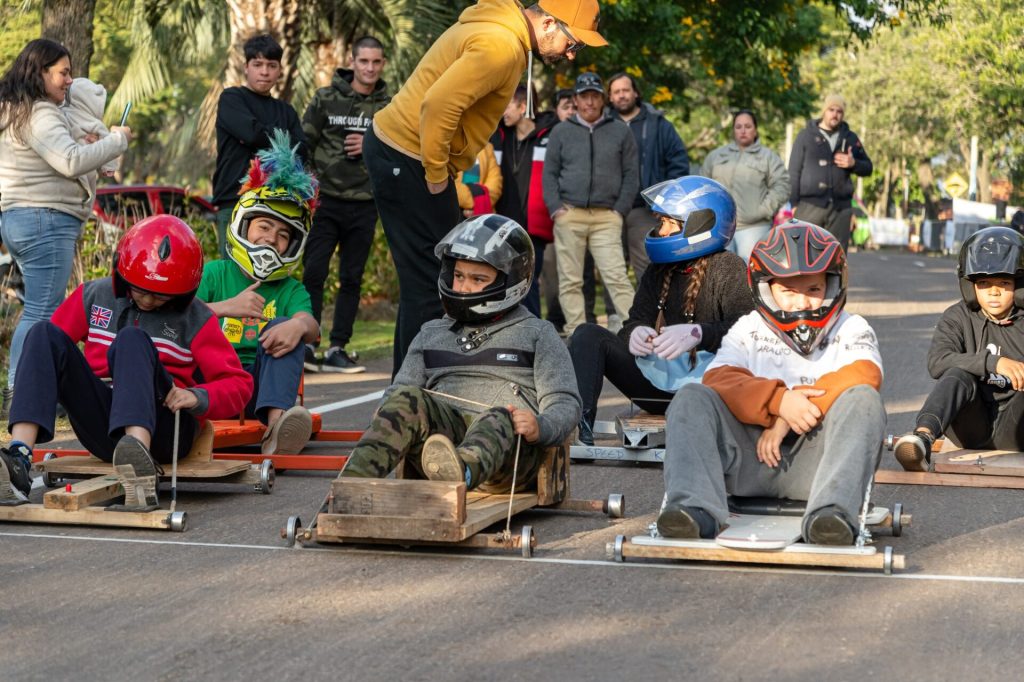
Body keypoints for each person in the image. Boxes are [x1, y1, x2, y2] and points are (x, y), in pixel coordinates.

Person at [364, 0, 605, 373]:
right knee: (433, 284)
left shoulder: (501, 35)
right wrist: (436, 176)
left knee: (426, 281)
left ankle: (405, 390)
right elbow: (437, 106)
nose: (571, 55)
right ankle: (411, 398)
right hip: (407, 157)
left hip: (403, 154)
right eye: (573, 44)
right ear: (548, 25)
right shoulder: (501, 47)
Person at [657, 220, 884, 545]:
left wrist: (785, 420)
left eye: (813, 290)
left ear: (833, 286)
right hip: (751, 461)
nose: (802, 302)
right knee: (692, 396)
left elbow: (866, 373)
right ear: (765, 288)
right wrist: (778, 402)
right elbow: (718, 379)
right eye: (788, 290)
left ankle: (832, 513)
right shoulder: (749, 328)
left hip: (819, 468)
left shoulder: (851, 327)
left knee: (863, 399)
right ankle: (694, 509)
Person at [0, 216, 252, 507]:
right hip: (104, 426)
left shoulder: (196, 319)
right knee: (43, 333)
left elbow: (240, 384)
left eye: (160, 296)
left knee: (132, 339)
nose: (147, 301)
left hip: (166, 428)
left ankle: (139, 466)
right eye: (141, 290)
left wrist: (197, 396)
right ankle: (18, 459)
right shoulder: (94, 295)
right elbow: (47, 354)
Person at [339, 214, 580, 493]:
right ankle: (346, 490)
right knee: (405, 398)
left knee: (499, 415)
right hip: (437, 453)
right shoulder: (431, 332)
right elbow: (402, 388)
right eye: (458, 276)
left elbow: (565, 402)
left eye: (478, 279)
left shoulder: (538, 333)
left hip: (509, 460)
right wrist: (389, 410)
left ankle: (460, 473)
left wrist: (541, 426)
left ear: (512, 281)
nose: (463, 287)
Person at [568, 177, 752, 444]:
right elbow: (633, 321)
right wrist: (634, 333)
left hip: (710, 391)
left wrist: (699, 333)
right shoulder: (658, 270)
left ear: (700, 224)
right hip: (658, 390)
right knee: (587, 335)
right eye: (661, 222)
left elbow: (749, 332)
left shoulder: (729, 267)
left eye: (668, 223)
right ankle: (580, 428)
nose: (661, 231)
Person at [0, 39, 131, 410]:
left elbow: (59, 154)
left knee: (38, 308)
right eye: (63, 72)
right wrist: (116, 141)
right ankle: (23, 393)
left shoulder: (17, 111)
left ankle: (31, 389)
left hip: (23, 218)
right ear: (40, 72)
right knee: (42, 312)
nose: (70, 80)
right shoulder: (40, 113)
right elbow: (71, 162)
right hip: (45, 219)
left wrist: (87, 142)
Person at [197, 132, 321, 456]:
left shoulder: (290, 288)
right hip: (208, 385)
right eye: (264, 227)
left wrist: (297, 327)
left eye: (283, 235)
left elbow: (311, 325)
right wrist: (226, 307)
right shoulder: (214, 273)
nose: (271, 238)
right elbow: (175, 319)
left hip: (257, 393)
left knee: (285, 324)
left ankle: (278, 430)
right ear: (244, 223)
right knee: (187, 330)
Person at [894, 227, 1024, 471]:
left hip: (1016, 428)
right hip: (969, 427)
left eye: (1004, 283)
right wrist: (994, 363)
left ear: (1019, 286)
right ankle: (922, 440)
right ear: (970, 286)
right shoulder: (957, 316)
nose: (994, 292)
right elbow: (937, 362)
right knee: (956, 373)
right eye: (984, 283)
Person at [301, 36, 390, 374]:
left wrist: (370, 143)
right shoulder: (326, 98)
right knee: (314, 272)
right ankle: (309, 343)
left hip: (365, 204)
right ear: (352, 62)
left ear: (382, 64)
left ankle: (339, 347)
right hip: (325, 202)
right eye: (363, 61)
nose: (369, 68)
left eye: (376, 62)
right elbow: (303, 144)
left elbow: (400, 150)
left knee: (352, 278)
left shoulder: (389, 107)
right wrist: (308, 187)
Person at [543, 72, 639, 337]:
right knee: (571, 280)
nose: (589, 102)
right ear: (575, 100)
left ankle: (635, 332)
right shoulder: (561, 132)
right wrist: (556, 209)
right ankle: (577, 334)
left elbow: (632, 173)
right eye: (584, 97)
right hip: (570, 214)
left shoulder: (620, 130)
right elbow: (549, 173)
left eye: (594, 96)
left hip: (607, 216)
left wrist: (620, 209)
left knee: (617, 277)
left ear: (602, 99)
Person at [213, 33, 306, 259]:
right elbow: (250, 134)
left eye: (271, 65)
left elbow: (302, 150)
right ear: (246, 67)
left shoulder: (287, 111)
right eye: (258, 64)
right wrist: (282, 137)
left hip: (277, 204)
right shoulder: (232, 98)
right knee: (232, 272)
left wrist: (260, 132)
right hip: (235, 199)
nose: (264, 72)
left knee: (271, 274)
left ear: (280, 70)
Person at [606, 72, 690, 283]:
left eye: (626, 90)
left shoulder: (658, 124)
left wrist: (664, 200)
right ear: (610, 97)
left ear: (635, 93)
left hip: (644, 209)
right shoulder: (603, 125)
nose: (622, 95)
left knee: (647, 266)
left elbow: (678, 161)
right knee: (612, 268)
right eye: (616, 92)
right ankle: (616, 316)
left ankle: (651, 314)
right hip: (609, 208)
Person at [492, 84, 558, 316]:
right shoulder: (497, 135)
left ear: (523, 106)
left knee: (527, 282)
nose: (502, 111)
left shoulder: (550, 135)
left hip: (533, 226)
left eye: (507, 104)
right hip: (500, 225)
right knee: (502, 283)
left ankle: (533, 334)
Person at [700, 109, 789, 262]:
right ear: (733, 130)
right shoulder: (716, 156)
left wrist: (763, 210)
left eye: (748, 126)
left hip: (753, 228)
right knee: (719, 274)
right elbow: (702, 184)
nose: (743, 131)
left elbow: (782, 185)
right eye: (738, 126)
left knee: (751, 275)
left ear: (755, 130)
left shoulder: (768, 157)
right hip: (719, 227)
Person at [787, 94, 872, 251]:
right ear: (824, 111)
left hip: (840, 209)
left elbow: (868, 168)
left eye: (839, 111)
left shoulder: (850, 138)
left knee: (836, 260)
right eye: (831, 110)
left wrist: (854, 163)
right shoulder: (805, 136)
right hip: (809, 207)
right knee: (804, 256)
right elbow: (793, 171)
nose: (835, 114)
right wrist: (794, 203)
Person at [64, 77, 120, 201]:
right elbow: (107, 142)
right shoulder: (94, 123)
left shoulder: (62, 114)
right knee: (88, 186)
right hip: (85, 163)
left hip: (69, 163)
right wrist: (109, 167)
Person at [454, 142, 503, 217]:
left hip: (482, 218)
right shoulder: (448, 145)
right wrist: (477, 202)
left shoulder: (487, 147)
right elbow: (449, 187)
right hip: (453, 214)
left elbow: (495, 187)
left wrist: (473, 206)